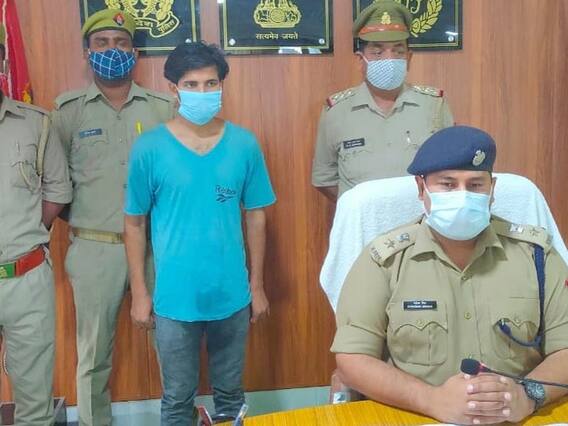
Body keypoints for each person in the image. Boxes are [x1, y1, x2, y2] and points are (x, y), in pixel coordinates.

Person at [331, 126, 568, 424]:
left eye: (476, 185)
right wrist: (431, 400)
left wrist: (528, 394)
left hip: (519, 416)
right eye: (448, 184)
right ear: (421, 188)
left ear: (492, 189)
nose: (463, 196)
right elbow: (353, 359)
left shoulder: (538, 256)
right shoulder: (384, 261)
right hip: (416, 415)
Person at [123, 41, 276, 425]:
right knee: (177, 400)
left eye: (211, 84)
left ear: (222, 85)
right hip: (174, 299)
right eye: (191, 84)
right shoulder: (149, 148)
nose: (202, 92)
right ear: (173, 89)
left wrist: (256, 286)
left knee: (231, 397)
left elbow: (256, 216)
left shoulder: (243, 144)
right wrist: (140, 293)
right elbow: (134, 223)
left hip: (232, 295)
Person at [50, 9, 174, 426]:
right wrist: (93, 220)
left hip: (157, 248)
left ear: (134, 52)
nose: (111, 50)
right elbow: (56, 185)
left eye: (121, 43)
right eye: (101, 43)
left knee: (172, 347)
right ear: (87, 52)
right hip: (94, 248)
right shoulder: (66, 112)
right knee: (93, 355)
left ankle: (178, 419)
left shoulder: (163, 108)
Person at [0, 23, 73, 426]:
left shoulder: (36, 123)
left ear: (2, 60)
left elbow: (57, 192)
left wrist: (25, 235)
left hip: (25, 279)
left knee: (34, 407)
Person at [311, 0, 454, 199]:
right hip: (363, 219)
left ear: (409, 58)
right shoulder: (336, 111)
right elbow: (325, 179)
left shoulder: (434, 105)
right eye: (378, 52)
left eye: (398, 51)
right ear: (361, 60)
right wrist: (363, 206)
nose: (389, 59)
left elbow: (451, 172)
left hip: (419, 218)